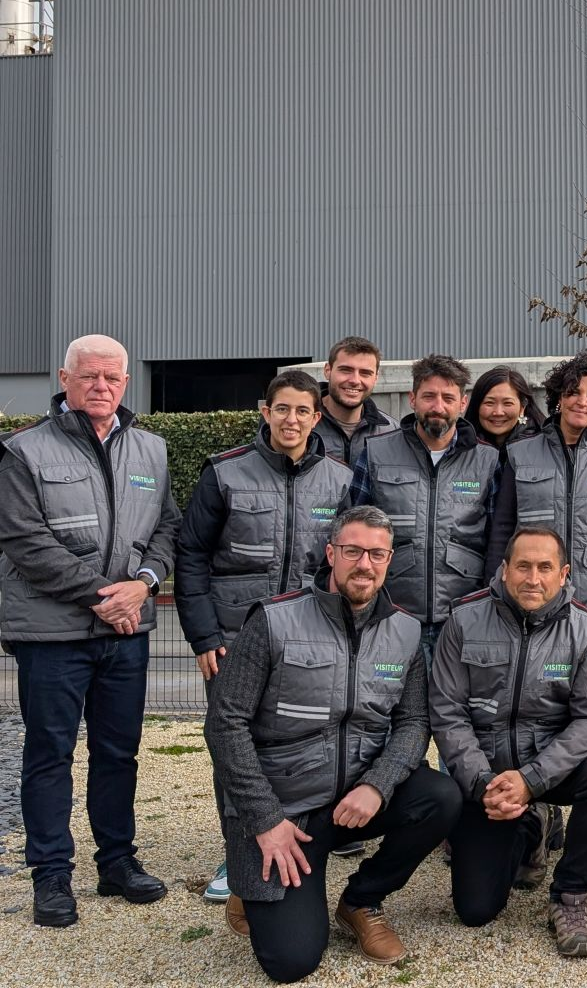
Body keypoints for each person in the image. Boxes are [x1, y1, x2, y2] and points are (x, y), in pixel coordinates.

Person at [202, 505, 462, 983]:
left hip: (353, 802)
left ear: (389, 560)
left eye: (377, 554)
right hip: (286, 813)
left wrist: (378, 786)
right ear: (331, 553)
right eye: (353, 551)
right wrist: (264, 821)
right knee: (292, 961)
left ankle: (361, 900)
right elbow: (224, 724)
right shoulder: (275, 620)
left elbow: (413, 722)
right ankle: (251, 881)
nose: (365, 564)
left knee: (443, 796)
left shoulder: (403, 631)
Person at [0, 334, 181, 928]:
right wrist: (107, 596)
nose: (101, 387)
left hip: (127, 631)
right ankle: (51, 876)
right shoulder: (22, 452)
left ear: (126, 382)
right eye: (89, 376)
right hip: (52, 636)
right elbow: (27, 542)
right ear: (64, 377)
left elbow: (166, 530)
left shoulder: (152, 450)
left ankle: (117, 862)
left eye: (112, 378)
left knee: (118, 752)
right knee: (50, 753)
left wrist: (146, 581)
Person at [174, 368, 353, 903]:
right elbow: (191, 555)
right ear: (265, 411)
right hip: (234, 638)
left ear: (317, 417)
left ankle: (296, 841)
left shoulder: (341, 481)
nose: (292, 419)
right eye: (282, 409)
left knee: (297, 743)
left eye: (303, 411)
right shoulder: (224, 473)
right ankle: (236, 857)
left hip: (307, 642)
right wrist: (204, 635)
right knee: (235, 747)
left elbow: (343, 566)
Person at [429, 526, 587, 957]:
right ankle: (533, 825)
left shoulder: (585, 630)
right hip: (488, 775)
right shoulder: (462, 620)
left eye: (544, 567)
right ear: (504, 568)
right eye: (523, 566)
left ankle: (570, 897)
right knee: (475, 909)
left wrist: (533, 780)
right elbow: (447, 711)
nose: (532, 578)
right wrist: (483, 783)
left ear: (563, 573)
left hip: (550, 770)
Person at [485, 352, 587, 655]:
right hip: (531, 599)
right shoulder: (520, 454)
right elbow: (502, 529)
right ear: (559, 397)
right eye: (573, 392)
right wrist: (496, 590)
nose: (581, 401)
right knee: (538, 693)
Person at [348, 354, 501, 659]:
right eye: (429, 396)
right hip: (392, 611)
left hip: (462, 614)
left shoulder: (488, 461)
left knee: (453, 704)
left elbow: (498, 538)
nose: (438, 407)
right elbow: (352, 531)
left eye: (448, 398)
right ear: (413, 399)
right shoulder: (377, 453)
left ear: (463, 403)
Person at [312, 336, 397, 465]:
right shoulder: (301, 424)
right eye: (346, 370)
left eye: (365, 373)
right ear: (327, 371)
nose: (355, 380)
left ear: (376, 378)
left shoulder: (392, 433)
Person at [463, 365, 543, 454]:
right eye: (489, 403)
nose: (498, 412)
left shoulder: (542, 447)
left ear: (522, 407)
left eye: (507, 403)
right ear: (476, 406)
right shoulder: (459, 447)